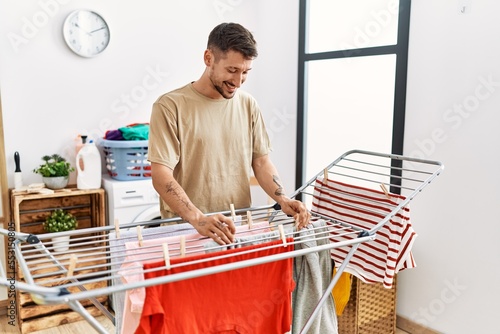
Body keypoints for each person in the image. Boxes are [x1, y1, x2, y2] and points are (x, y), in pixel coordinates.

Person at [148, 22, 310, 245]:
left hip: (237, 228)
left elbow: (261, 163)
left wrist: (281, 198)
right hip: (188, 231)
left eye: (245, 72)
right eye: (232, 70)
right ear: (208, 58)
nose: (237, 81)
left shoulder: (248, 104)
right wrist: (198, 218)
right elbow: (160, 175)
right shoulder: (169, 106)